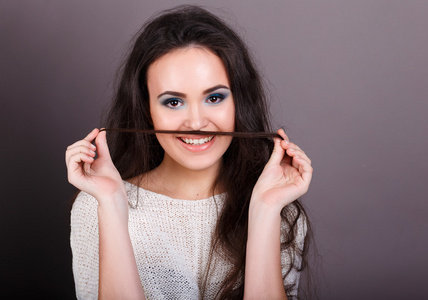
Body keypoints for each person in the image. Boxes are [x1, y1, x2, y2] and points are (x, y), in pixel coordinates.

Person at [65, 5, 313, 300]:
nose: (196, 123)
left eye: (214, 97)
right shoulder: (96, 207)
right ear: (147, 110)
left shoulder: (280, 210)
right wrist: (110, 205)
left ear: (238, 102)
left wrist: (265, 211)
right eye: (173, 102)